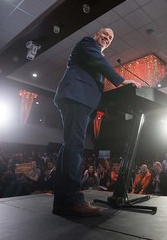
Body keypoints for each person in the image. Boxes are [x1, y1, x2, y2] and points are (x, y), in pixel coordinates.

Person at [52, 28, 142, 217]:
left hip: (78, 99)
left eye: (110, 37)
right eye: (104, 35)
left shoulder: (93, 55)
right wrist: (122, 80)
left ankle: (61, 202)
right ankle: (74, 200)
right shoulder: (88, 43)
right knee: (74, 148)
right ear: (96, 35)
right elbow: (99, 62)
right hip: (76, 98)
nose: (107, 38)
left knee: (68, 148)